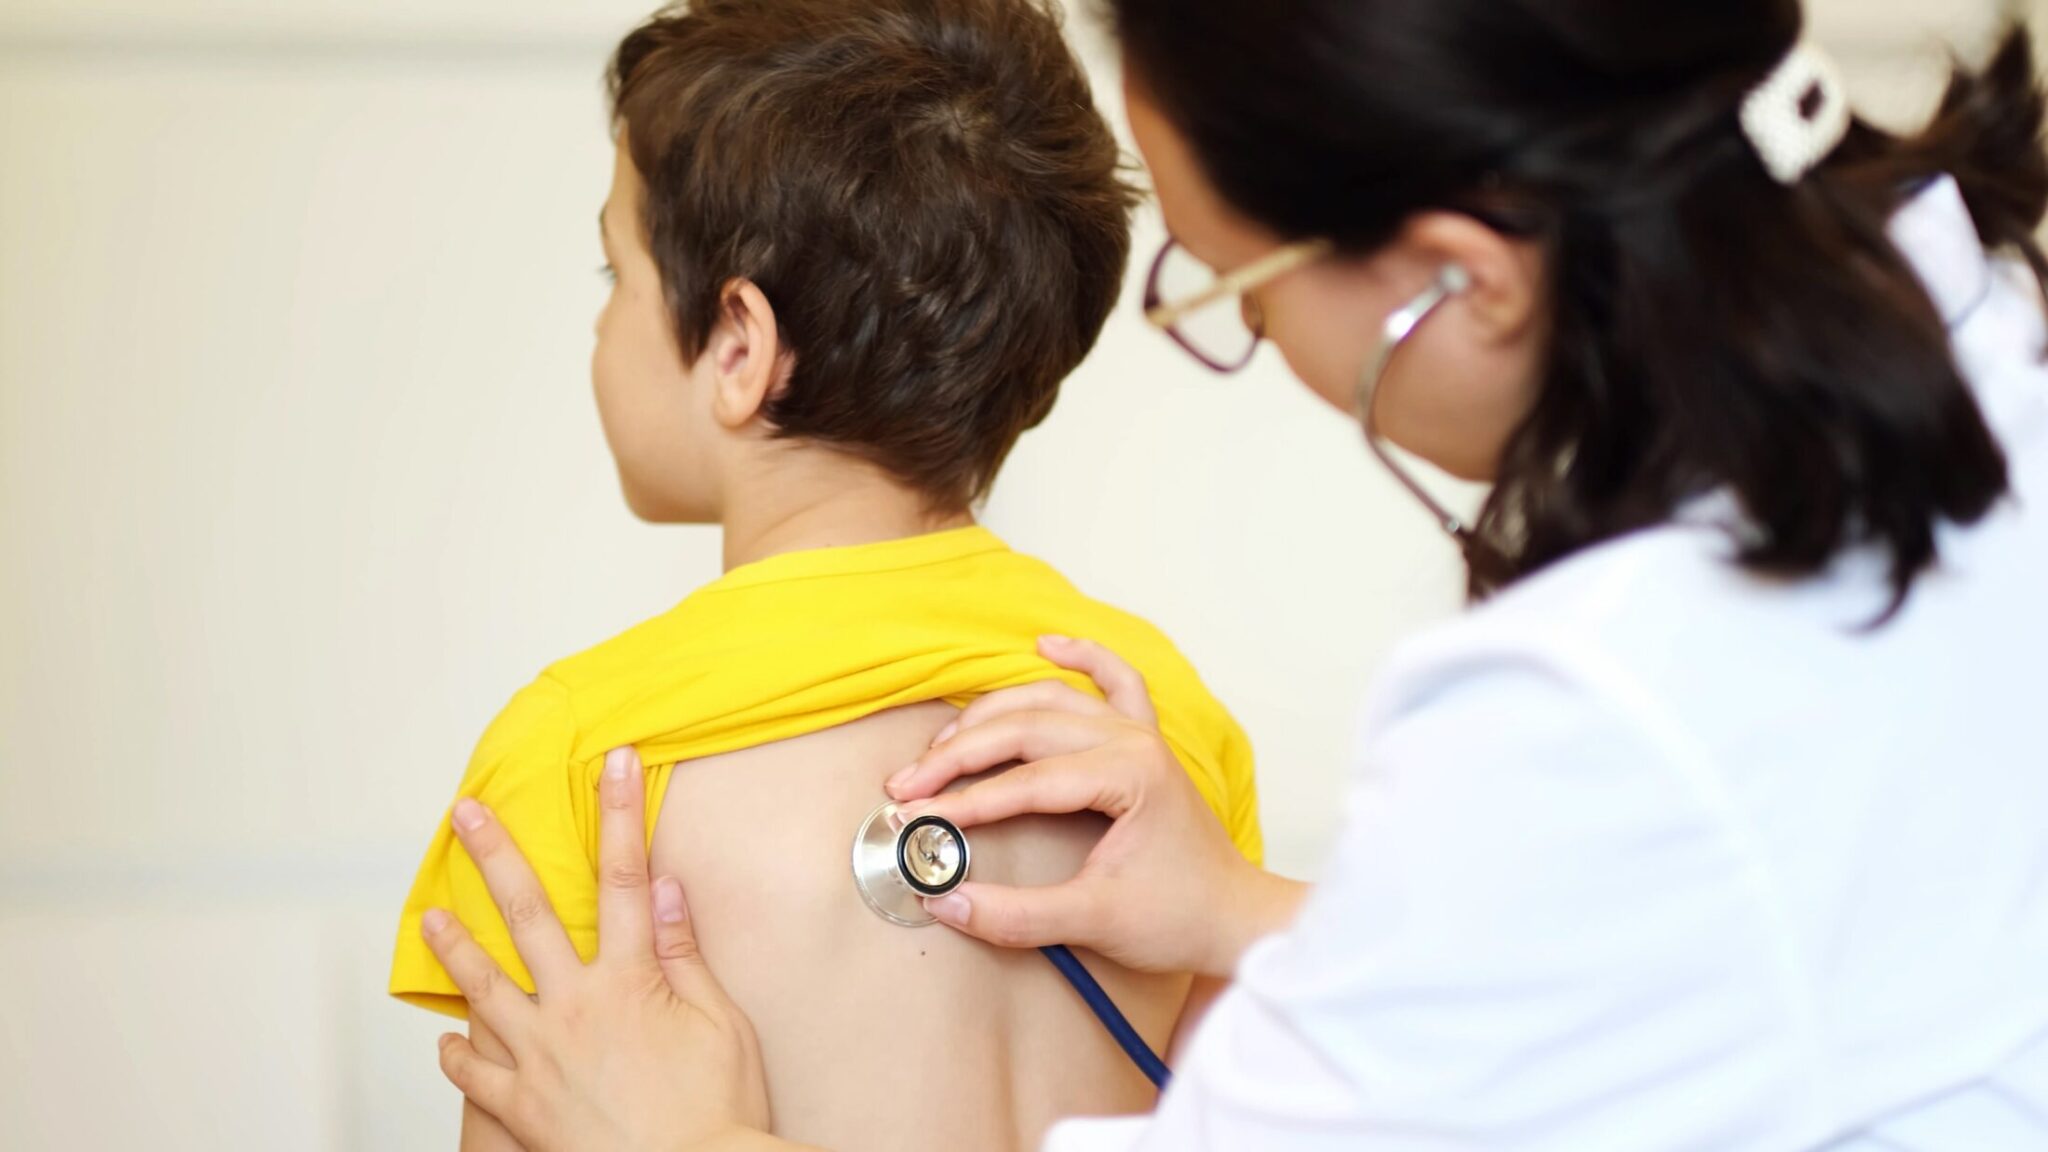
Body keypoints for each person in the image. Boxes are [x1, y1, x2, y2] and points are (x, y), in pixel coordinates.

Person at [411, 0, 2048, 1149]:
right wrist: (1238, 913)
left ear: (1459, 280)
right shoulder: (1144, 715)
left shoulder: (579, 758)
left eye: (1237, 282)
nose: (1249, 337)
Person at [387, 1, 1263, 1149]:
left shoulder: (583, 748)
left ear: (738, 345)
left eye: (617, 272)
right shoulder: (1151, 712)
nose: (602, 325)